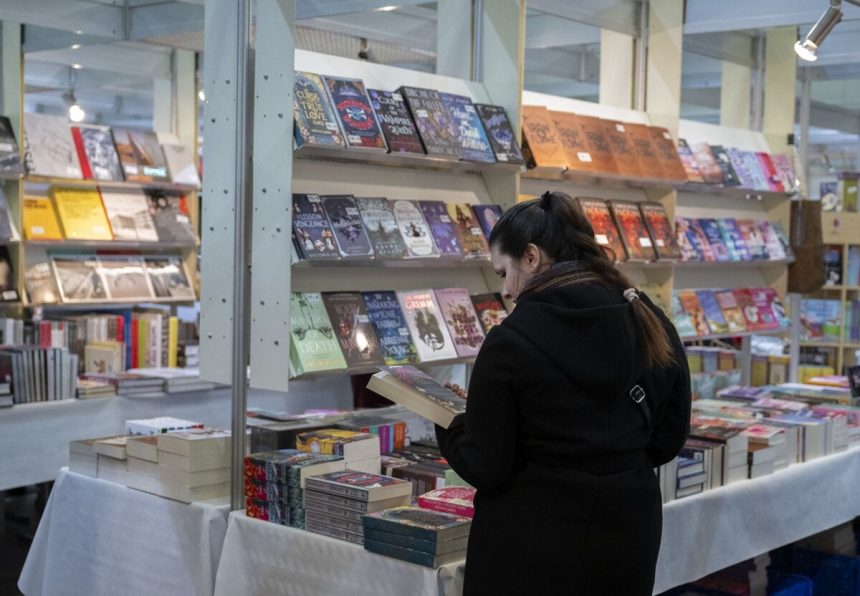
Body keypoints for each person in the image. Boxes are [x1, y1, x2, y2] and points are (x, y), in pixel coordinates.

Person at [436, 191, 691, 596]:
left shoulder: (510, 342)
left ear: (532, 257)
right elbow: (668, 436)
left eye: (503, 273)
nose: (504, 291)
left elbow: (486, 464)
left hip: (531, 543)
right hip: (628, 532)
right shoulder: (646, 316)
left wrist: (448, 421)